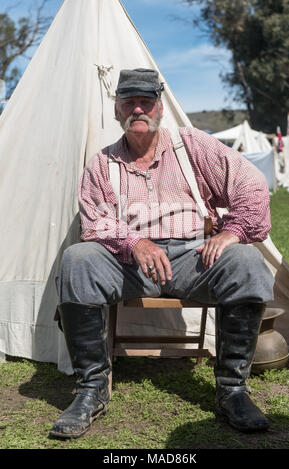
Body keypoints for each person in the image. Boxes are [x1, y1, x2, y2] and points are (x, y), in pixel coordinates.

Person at [50, 68, 274, 439]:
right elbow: (95, 221)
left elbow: (251, 186)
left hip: (193, 259)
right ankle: (92, 390)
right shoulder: (102, 163)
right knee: (78, 259)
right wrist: (134, 242)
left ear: (159, 109)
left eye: (146, 102)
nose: (138, 110)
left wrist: (233, 231)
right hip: (130, 265)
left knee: (248, 262)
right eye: (129, 103)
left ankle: (232, 390)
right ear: (118, 110)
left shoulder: (193, 145)